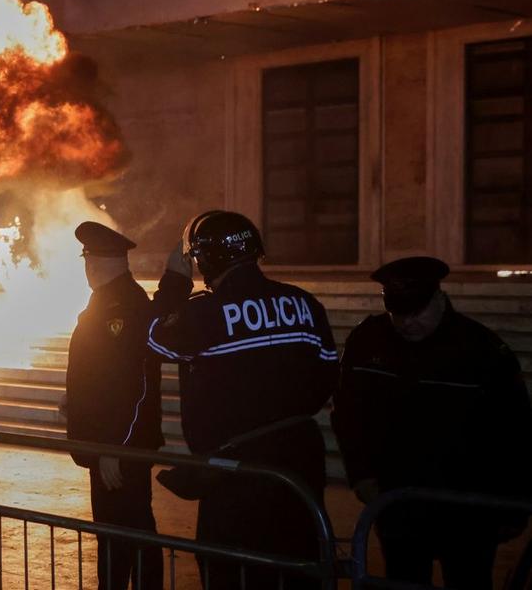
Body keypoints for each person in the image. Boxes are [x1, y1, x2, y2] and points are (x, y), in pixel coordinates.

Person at [147, 211, 338, 589]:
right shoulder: (304, 303)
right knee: (299, 568)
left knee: (232, 572)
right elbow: (329, 374)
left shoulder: (203, 312)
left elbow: (150, 338)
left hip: (235, 471)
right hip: (300, 460)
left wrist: (173, 281)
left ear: (202, 260)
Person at [332, 257, 532, 589]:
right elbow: (349, 413)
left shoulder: (482, 350)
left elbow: (514, 428)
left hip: (466, 506)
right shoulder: (368, 340)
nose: (406, 323)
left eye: (416, 312)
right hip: (398, 501)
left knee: (467, 579)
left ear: (439, 299)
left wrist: (514, 506)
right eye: (397, 313)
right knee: (403, 579)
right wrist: (360, 474)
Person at [62, 222, 164, 590]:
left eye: (88, 259)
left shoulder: (123, 308)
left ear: (98, 262)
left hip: (118, 450)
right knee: (119, 533)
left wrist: (112, 448)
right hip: (106, 447)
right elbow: (100, 376)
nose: (86, 267)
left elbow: (132, 386)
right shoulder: (106, 303)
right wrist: (73, 400)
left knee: (131, 534)